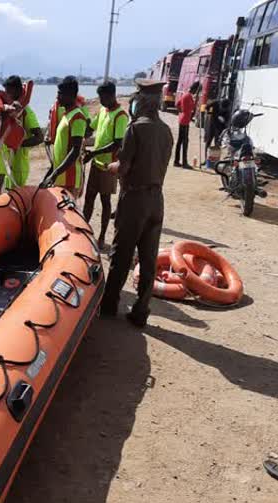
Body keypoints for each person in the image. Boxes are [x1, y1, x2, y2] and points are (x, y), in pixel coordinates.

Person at [100, 79, 174, 328]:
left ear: (140, 101)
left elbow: (124, 167)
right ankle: (141, 310)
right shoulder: (166, 131)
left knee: (121, 254)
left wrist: (111, 167)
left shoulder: (136, 129)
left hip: (134, 199)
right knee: (148, 258)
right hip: (157, 200)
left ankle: (109, 305)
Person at [82, 81, 129, 248]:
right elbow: (91, 128)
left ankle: (102, 236)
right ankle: (84, 232)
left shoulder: (120, 116)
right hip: (96, 164)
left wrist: (94, 152)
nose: (100, 101)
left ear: (111, 95)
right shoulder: (103, 110)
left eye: (103, 97)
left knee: (105, 200)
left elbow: (117, 143)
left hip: (108, 167)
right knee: (88, 199)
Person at [2, 75, 43, 188]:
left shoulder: (26, 112)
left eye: (8, 92)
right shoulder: (11, 112)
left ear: (17, 91)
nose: (6, 96)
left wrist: (18, 143)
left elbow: (39, 137)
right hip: (9, 163)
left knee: (17, 199)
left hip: (19, 166)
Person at [52, 76, 87, 198]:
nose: (57, 97)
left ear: (70, 95)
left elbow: (75, 150)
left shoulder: (77, 117)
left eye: (60, 94)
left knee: (67, 214)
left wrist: (56, 172)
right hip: (61, 176)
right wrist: (52, 170)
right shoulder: (66, 116)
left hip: (69, 178)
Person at [175, 81, 200, 169]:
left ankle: (176, 161)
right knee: (185, 142)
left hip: (182, 119)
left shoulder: (185, 94)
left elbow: (177, 104)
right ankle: (184, 163)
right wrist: (196, 100)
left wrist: (181, 111)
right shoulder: (189, 96)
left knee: (180, 141)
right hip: (185, 121)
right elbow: (193, 107)